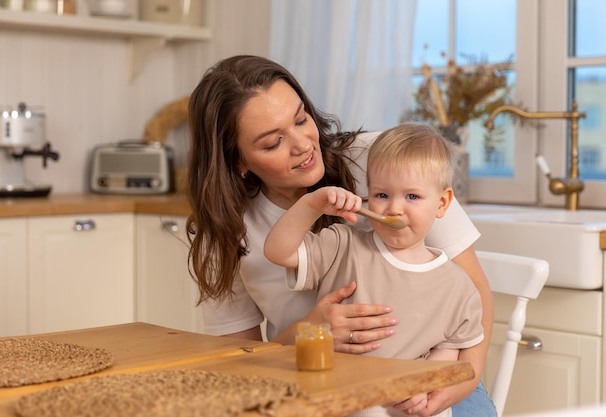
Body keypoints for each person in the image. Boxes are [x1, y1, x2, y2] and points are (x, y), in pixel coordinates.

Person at [186, 55, 495, 417]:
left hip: (431, 376)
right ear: (237, 160)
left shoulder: (386, 160)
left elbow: (472, 294)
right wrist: (308, 332)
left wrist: (451, 387)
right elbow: (238, 367)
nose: (303, 144)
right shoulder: (226, 233)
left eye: (302, 119)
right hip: (315, 387)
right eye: (273, 143)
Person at [264, 122, 484, 417]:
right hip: (336, 401)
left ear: (442, 203)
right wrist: (311, 205)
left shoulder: (457, 287)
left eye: (412, 197)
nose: (394, 208)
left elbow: (451, 351)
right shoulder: (343, 245)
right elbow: (278, 251)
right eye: (382, 195)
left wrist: (425, 385)